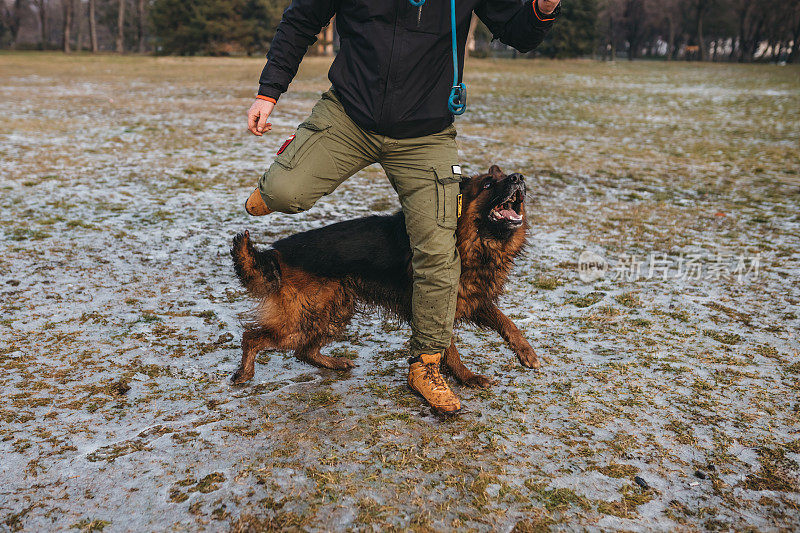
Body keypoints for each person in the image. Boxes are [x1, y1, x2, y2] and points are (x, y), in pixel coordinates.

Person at [244, 0, 560, 414]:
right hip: (350, 115)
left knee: (439, 254)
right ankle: (279, 183)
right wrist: (269, 92)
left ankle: (426, 366)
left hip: (425, 134)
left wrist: (544, 6)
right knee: (284, 191)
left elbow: (519, 32)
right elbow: (301, 19)